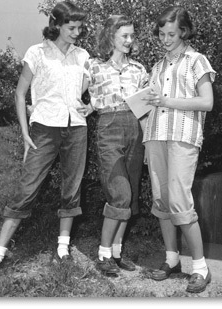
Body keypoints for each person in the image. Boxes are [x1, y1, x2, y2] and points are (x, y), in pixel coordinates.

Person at [0, 1, 90, 278]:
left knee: (71, 188)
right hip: (44, 129)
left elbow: (87, 92)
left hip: (76, 128)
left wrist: (91, 105)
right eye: (71, 27)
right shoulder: (37, 53)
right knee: (26, 190)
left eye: (79, 28)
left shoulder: (83, 56)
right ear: (56, 25)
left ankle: (63, 250)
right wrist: (26, 133)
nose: (76, 32)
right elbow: (20, 94)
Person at [142, 6, 216, 293]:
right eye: (161, 34)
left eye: (171, 33)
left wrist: (167, 100)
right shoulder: (158, 66)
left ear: (183, 31)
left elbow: (206, 102)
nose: (165, 38)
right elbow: (151, 106)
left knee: (179, 202)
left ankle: (200, 268)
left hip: (183, 137)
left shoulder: (197, 61)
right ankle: (171, 260)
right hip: (156, 136)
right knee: (161, 200)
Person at [83, 15, 148, 276]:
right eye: (125, 36)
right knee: (119, 194)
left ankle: (117, 253)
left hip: (135, 129)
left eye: (132, 36)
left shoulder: (140, 69)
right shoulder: (93, 66)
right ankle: (103, 253)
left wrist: (148, 143)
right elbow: (74, 92)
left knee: (130, 194)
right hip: (108, 127)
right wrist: (85, 106)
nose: (130, 41)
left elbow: (145, 110)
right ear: (110, 36)